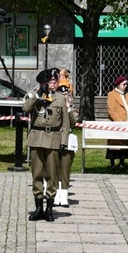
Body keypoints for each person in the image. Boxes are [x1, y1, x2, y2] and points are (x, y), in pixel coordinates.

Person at [22, 67, 69, 222]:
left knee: (52, 174)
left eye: (55, 81)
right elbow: (26, 108)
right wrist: (37, 95)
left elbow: (66, 124)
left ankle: (49, 208)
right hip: (36, 138)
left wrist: (64, 141)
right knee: (37, 174)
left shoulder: (61, 98)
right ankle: (38, 208)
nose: (52, 84)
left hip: (53, 138)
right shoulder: (34, 95)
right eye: (50, 81)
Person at [55, 84, 78, 207]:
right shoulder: (55, 106)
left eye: (66, 94)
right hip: (55, 138)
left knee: (65, 169)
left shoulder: (72, 108)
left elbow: (74, 122)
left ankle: (63, 196)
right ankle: (54, 195)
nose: (65, 96)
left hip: (68, 139)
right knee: (54, 169)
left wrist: (68, 109)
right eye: (62, 94)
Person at [106, 75, 128, 170]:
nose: (125, 86)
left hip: (126, 124)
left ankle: (122, 163)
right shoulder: (112, 94)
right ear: (118, 84)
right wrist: (120, 122)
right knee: (114, 144)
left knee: (124, 144)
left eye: (126, 84)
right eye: (123, 84)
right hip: (116, 124)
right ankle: (112, 164)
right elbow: (111, 110)